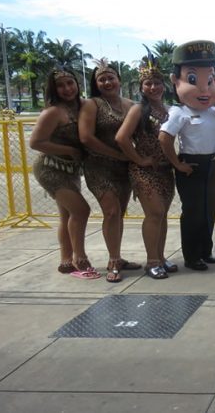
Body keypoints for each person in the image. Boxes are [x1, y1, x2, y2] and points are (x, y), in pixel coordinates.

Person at [159, 40, 215, 271]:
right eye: (193, 79)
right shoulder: (179, 112)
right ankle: (191, 256)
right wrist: (177, 164)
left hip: (214, 164)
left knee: (210, 211)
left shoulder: (212, 110)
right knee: (193, 214)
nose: (204, 88)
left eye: (209, 81)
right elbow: (165, 138)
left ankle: (205, 251)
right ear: (175, 81)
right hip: (193, 165)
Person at [30, 67, 98, 279]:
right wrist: (69, 150)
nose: (67, 89)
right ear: (54, 89)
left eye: (70, 83)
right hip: (51, 169)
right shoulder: (53, 112)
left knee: (67, 215)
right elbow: (36, 142)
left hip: (71, 170)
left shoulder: (81, 107)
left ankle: (65, 261)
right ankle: (79, 258)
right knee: (81, 210)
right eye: (61, 85)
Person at [115, 51, 175, 279]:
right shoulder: (138, 110)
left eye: (157, 83)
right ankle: (151, 261)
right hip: (144, 170)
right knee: (155, 213)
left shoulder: (167, 110)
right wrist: (139, 159)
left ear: (163, 86)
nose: (153, 88)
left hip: (165, 170)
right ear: (141, 87)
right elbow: (121, 138)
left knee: (163, 215)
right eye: (148, 84)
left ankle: (160, 256)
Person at [79, 60, 140, 283]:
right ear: (96, 84)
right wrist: (116, 155)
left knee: (119, 213)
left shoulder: (131, 104)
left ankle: (118, 255)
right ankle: (113, 259)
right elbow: (86, 137)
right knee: (111, 212)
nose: (107, 82)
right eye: (101, 79)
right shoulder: (91, 104)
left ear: (119, 80)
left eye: (110, 77)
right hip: (99, 167)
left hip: (124, 167)